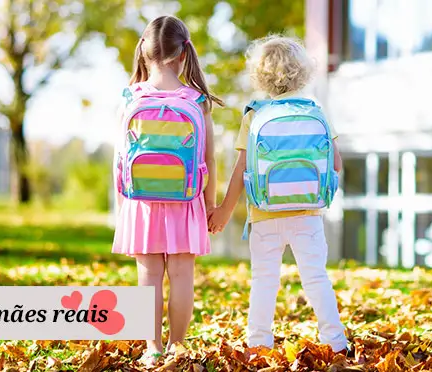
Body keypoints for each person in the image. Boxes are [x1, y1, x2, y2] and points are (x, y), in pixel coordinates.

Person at [208, 35, 353, 357]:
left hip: (264, 215)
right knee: (316, 279)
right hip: (307, 215)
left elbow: (241, 170)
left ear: (259, 75)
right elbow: (337, 163)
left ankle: (258, 344)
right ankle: (336, 342)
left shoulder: (254, 115)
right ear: (303, 72)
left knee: (264, 281)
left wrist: (223, 211)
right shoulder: (316, 111)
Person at [112, 15, 222, 367]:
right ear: (183, 54)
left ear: (144, 52)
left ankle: (152, 347)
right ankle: (177, 345)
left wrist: (121, 208)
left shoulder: (130, 97)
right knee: (181, 275)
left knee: (148, 276)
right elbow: (209, 159)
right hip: (185, 200)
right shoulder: (197, 100)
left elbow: (120, 161)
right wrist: (210, 204)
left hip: (140, 201)